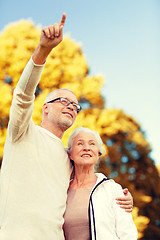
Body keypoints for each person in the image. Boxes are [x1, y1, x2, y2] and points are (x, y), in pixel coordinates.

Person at [0, 13, 133, 240]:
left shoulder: (68, 159)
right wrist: (43, 50)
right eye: (63, 100)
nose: (71, 106)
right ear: (45, 108)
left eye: (75, 105)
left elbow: (88, 184)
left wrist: (119, 198)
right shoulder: (21, 132)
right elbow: (22, 96)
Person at [63, 127, 138, 240]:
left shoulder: (112, 189)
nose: (86, 148)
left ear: (98, 154)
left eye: (92, 144)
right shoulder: (62, 191)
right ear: (70, 154)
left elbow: (128, 234)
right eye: (80, 143)